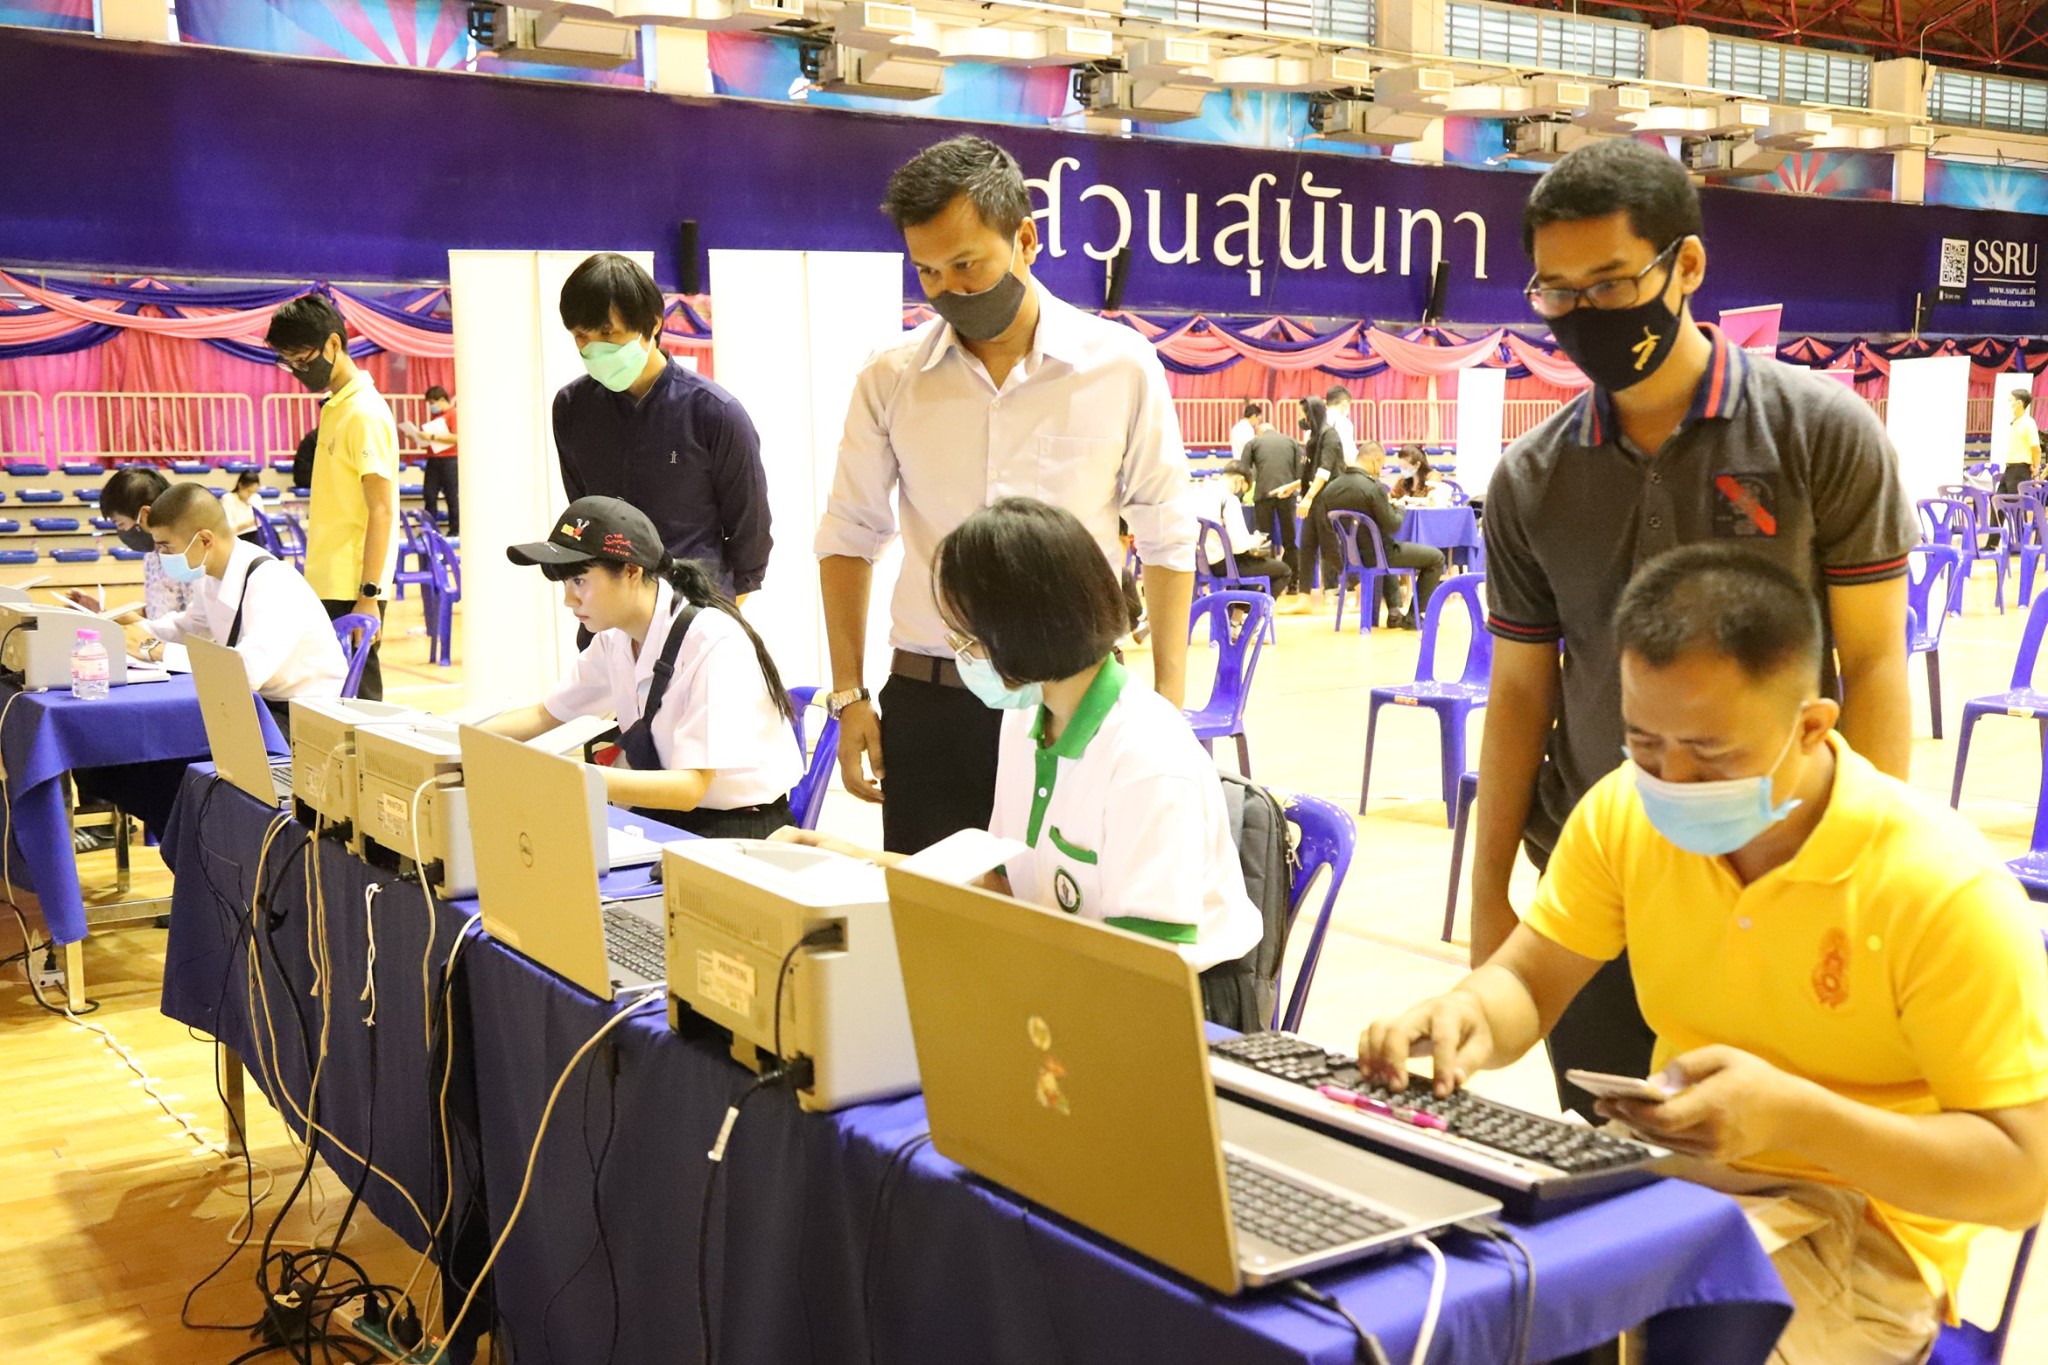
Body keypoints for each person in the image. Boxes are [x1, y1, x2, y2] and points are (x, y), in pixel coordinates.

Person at [1362, 546, 2048, 1365]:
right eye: (1644, 743)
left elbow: (2022, 1175)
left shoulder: (1938, 888)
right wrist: (1468, 1010)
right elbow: (1529, 980)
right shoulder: (1624, 814)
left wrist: (1794, 1117)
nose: (1673, 780)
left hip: (1865, 1236)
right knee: (1456, 1307)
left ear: (1811, 726)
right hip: (1681, 1186)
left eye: (1711, 753)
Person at [1471, 138, 1918, 1119]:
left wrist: (1867, 872)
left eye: (1610, 282)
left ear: (1686, 266)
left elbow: (1874, 661)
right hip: (1598, 890)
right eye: (1556, 293)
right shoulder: (1530, 479)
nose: (1585, 314)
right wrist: (1489, 896)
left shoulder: (1819, 433)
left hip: (1783, 872)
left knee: (1775, 1161)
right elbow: (1518, 693)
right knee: (1606, 1159)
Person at [816, 134, 1197, 856]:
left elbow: (1168, 534)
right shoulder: (890, 378)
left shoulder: (1119, 367)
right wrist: (849, 694)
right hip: (932, 702)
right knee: (931, 910)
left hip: (1075, 701)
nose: (949, 290)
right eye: (928, 271)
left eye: (967, 265)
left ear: (1025, 239)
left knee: (1071, 907)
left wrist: (1167, 706)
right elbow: (847, 536)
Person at [789, 498, 1265, 1025]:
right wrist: (851, 858)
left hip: (1177, 1011)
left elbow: (1141, 975)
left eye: (965, 640)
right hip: (1079, 979)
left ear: (1023, 633)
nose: (960, 655)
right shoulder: (1027, 717)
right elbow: (1002, 888)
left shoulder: (1147, 759)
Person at [484, 497, 801, 839]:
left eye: (579, 581)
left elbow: (691, 788)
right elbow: (545, 715)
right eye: (566, 584)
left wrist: (572, 777)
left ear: (631, 571)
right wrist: (454, 742)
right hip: (666, 816)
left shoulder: (712, 641)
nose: (568, 599)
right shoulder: (615, 639)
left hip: (737, 829)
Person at [552, 253, 770, 600]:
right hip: (608, 610)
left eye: (608, 334)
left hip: (694, 607)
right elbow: (585, 516)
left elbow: (751, 535)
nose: (594, 349)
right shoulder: (572, 407)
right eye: (581, 336)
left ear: (653, 324)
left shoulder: (715, 412)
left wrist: (719, 612)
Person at [264, 294, 398, 702]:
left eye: (303, 359)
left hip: (352, 585)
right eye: (289, 363)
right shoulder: (336, 407)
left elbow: (382, 510)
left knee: (361, 702)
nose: (298, 371)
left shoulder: (364, 412)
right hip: (327, 579)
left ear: (334, 344)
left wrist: (368, 596)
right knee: (334, 700)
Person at [123, 482, 346, 716]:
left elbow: (249, 671)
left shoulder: (271, 580)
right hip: (263, 700)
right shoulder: (208, 572)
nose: (161, 555)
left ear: (205, 540)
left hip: (305, 713)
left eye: (166, 547)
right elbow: (193, 626)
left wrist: (155, 649)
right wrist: (138, 630)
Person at [1305, 450, 1444, 629]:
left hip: (1350, 556)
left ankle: (1394, 612)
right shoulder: (1373, 487)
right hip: (1379, 555)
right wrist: (1400, 509)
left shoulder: (1331, 488)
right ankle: (1413, 617)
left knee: (1380, 551)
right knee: (1436, 558)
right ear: (1376, 461)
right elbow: (1393, 525)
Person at [67, 467, 196, 623]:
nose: (121, 531)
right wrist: (102, 612)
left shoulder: (191, 558)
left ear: (145, 515)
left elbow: (197, 627)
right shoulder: (152, 557)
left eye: (121, 524)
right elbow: (155, 615)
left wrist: (130, 622)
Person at [1197, 465, 1292, 600]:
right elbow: (1239, 546)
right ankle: (1257, 610)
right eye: (1242, 489)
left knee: (1253, 564)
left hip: (1201, 561)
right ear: (1240, 480)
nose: (1239, 493)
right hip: (1222, 564)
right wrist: (1256, 540)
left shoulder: (1201, 492)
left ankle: (1239, 611)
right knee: (1284, 571)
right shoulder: (1229, 499)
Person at [1239, 418, 1305, 607]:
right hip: (1288, 493)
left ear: (1259, 433)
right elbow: (1301, 471)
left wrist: (1241, 496)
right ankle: (1293, 582)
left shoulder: (1254, 443)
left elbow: (1244, 471)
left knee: (1263, 538)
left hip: (1264, 493)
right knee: (1290, 540)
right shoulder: (1292, 442)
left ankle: (1266, 580)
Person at [1292, 395, 1349, 608]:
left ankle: (1360, 582)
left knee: (1330, 550)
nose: (1300, 418)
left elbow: (1325, 471)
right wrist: (1293, 486)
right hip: (1315, 498)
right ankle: (1304, 598)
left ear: (1312, 413)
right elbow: (1312, 471)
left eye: (1302, 413)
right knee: (1306, 548)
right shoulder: (1314, 437)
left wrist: (1307, 498)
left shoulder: (1330, 435)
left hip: (1327, 499)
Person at [418, 384, 459, 536]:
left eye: (432, 403)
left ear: (441, 399)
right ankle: (428, 530)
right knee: (429, 495)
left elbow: (456, 437)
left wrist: (432, 436)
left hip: (449, 459)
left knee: (451, 496)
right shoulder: (436, 417)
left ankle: (455, 530)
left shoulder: (453, 414)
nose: (431, 407)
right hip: (433, 458)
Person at [1996, 388, 2040, 496]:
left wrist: (2036, 470)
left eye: (2010, 400)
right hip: (2010, 468)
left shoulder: (2028, 422)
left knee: (2014, 502)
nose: (2008, 404)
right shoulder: (2016, 422)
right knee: (1998, 500)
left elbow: (2036, 448)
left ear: (2019, 403)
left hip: (2020, 469)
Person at [223, 472, 262, 545]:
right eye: (249, 491)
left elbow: (260, 523)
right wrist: (248, 524)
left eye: (254, 492)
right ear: (240, 485)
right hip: (238, 538)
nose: (251, 495)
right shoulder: (228, 498)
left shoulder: (256, 497)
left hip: (256, 535)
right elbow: (229, 529)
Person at [1324, 384, 1358, 462]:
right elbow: (1348, 454)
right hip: (1336, 466)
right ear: (1345, 403)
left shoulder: (1317, 419)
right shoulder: (1344, 423)